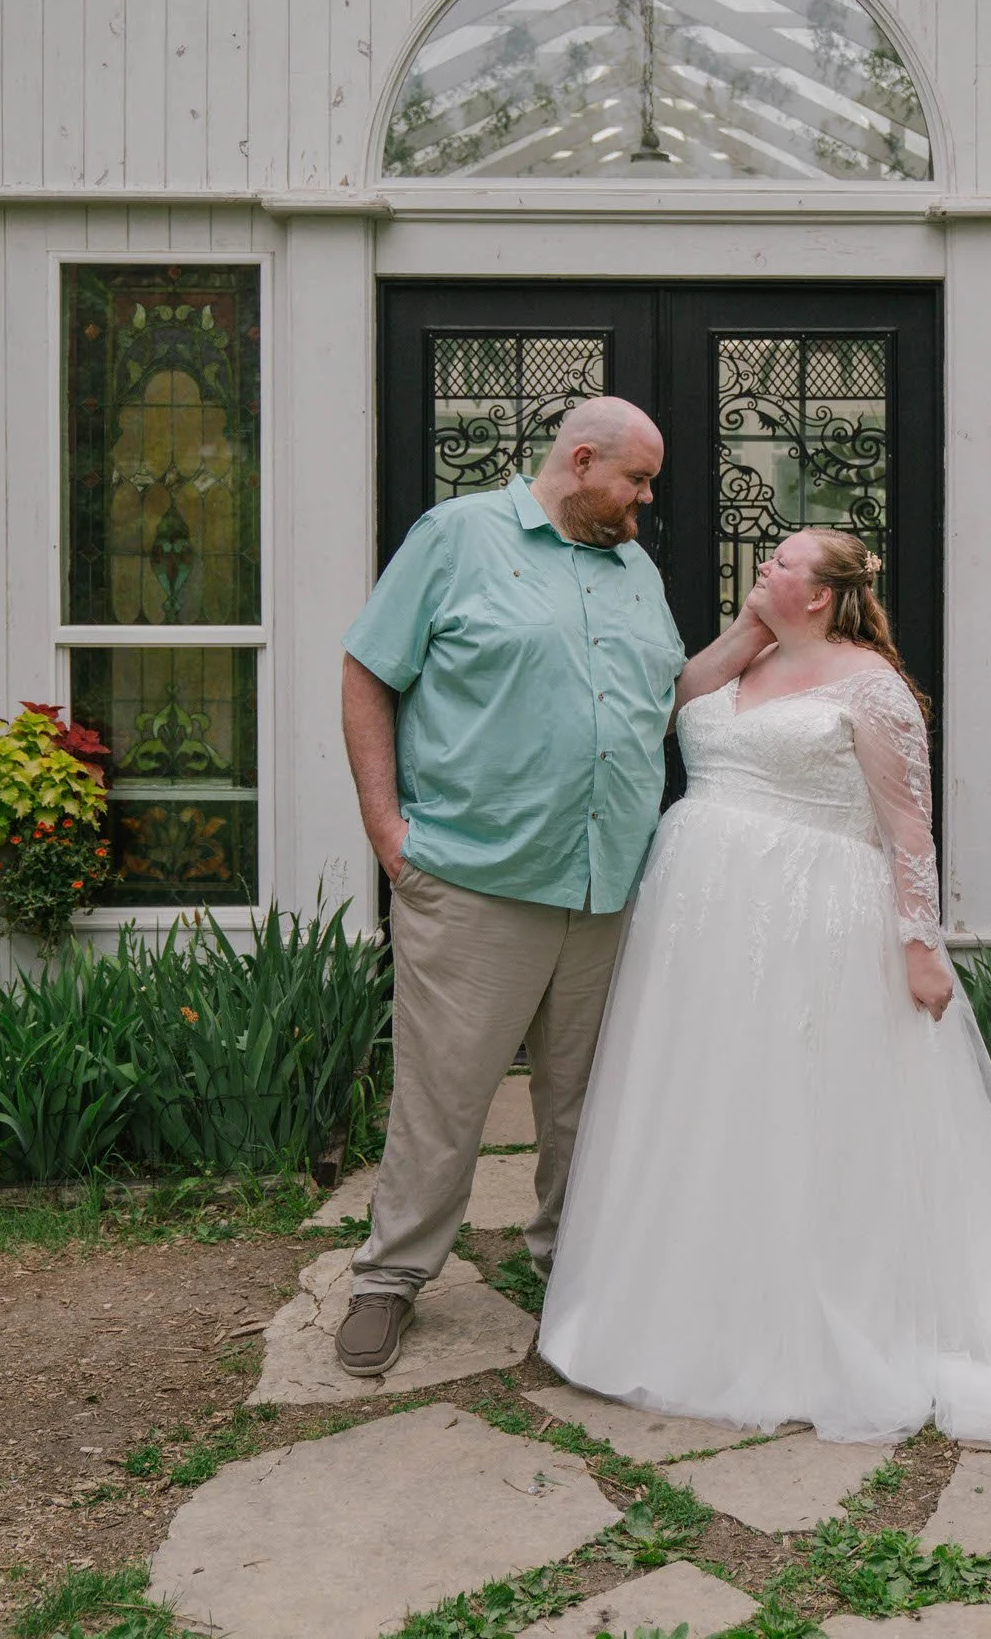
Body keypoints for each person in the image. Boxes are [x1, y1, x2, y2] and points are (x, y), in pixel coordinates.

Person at [539, 530, 991, 1449]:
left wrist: (920, 946)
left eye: (780, 564)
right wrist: (745, 629)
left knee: (806, 1110)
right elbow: (677, 702)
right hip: (700, 923)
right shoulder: (744, 659)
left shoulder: (874, 688)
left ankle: (813, 1313)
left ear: (823, 594)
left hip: (808, 914)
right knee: (711, 1100)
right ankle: (693, 1296)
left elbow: (907, 830)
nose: (763, 566)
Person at [333, 398, 761, 1379]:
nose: (647, 501)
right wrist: (387, 832)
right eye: (638, 481)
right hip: (476, 881)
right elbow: (368, 672)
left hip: (607, 884)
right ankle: (390, 1279)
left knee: (590, 1104)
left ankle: (575, 1270)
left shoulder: (633, 568)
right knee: (445, 1101)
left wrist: (756, 631)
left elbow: (664, 699)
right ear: (580, 461)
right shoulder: (456, 537)